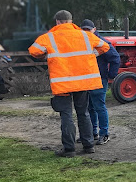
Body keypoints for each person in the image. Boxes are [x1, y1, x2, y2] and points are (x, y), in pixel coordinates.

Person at [28, 10, 109, 157]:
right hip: (83, 82)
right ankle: (89, 145)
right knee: (83, 113)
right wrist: (90, 55)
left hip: (62, 83)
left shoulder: (49, 37)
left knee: (66, 115)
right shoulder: (85, 35)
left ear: (57, 22)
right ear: (72, 21)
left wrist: (47, 56)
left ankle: (69, 149)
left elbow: (33, 51)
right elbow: (105, 47)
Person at [80, 19, 120, 145]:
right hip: (87, 79)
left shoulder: (102, 43)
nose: (86, 32)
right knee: (90, 107)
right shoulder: (83, 43)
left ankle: (104, 133)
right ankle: (93, 133)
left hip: (98, 79)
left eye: (88, 29)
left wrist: (110, 75)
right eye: (84, 29)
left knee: (98, 107)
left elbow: (115, 58)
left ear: (94, 29)